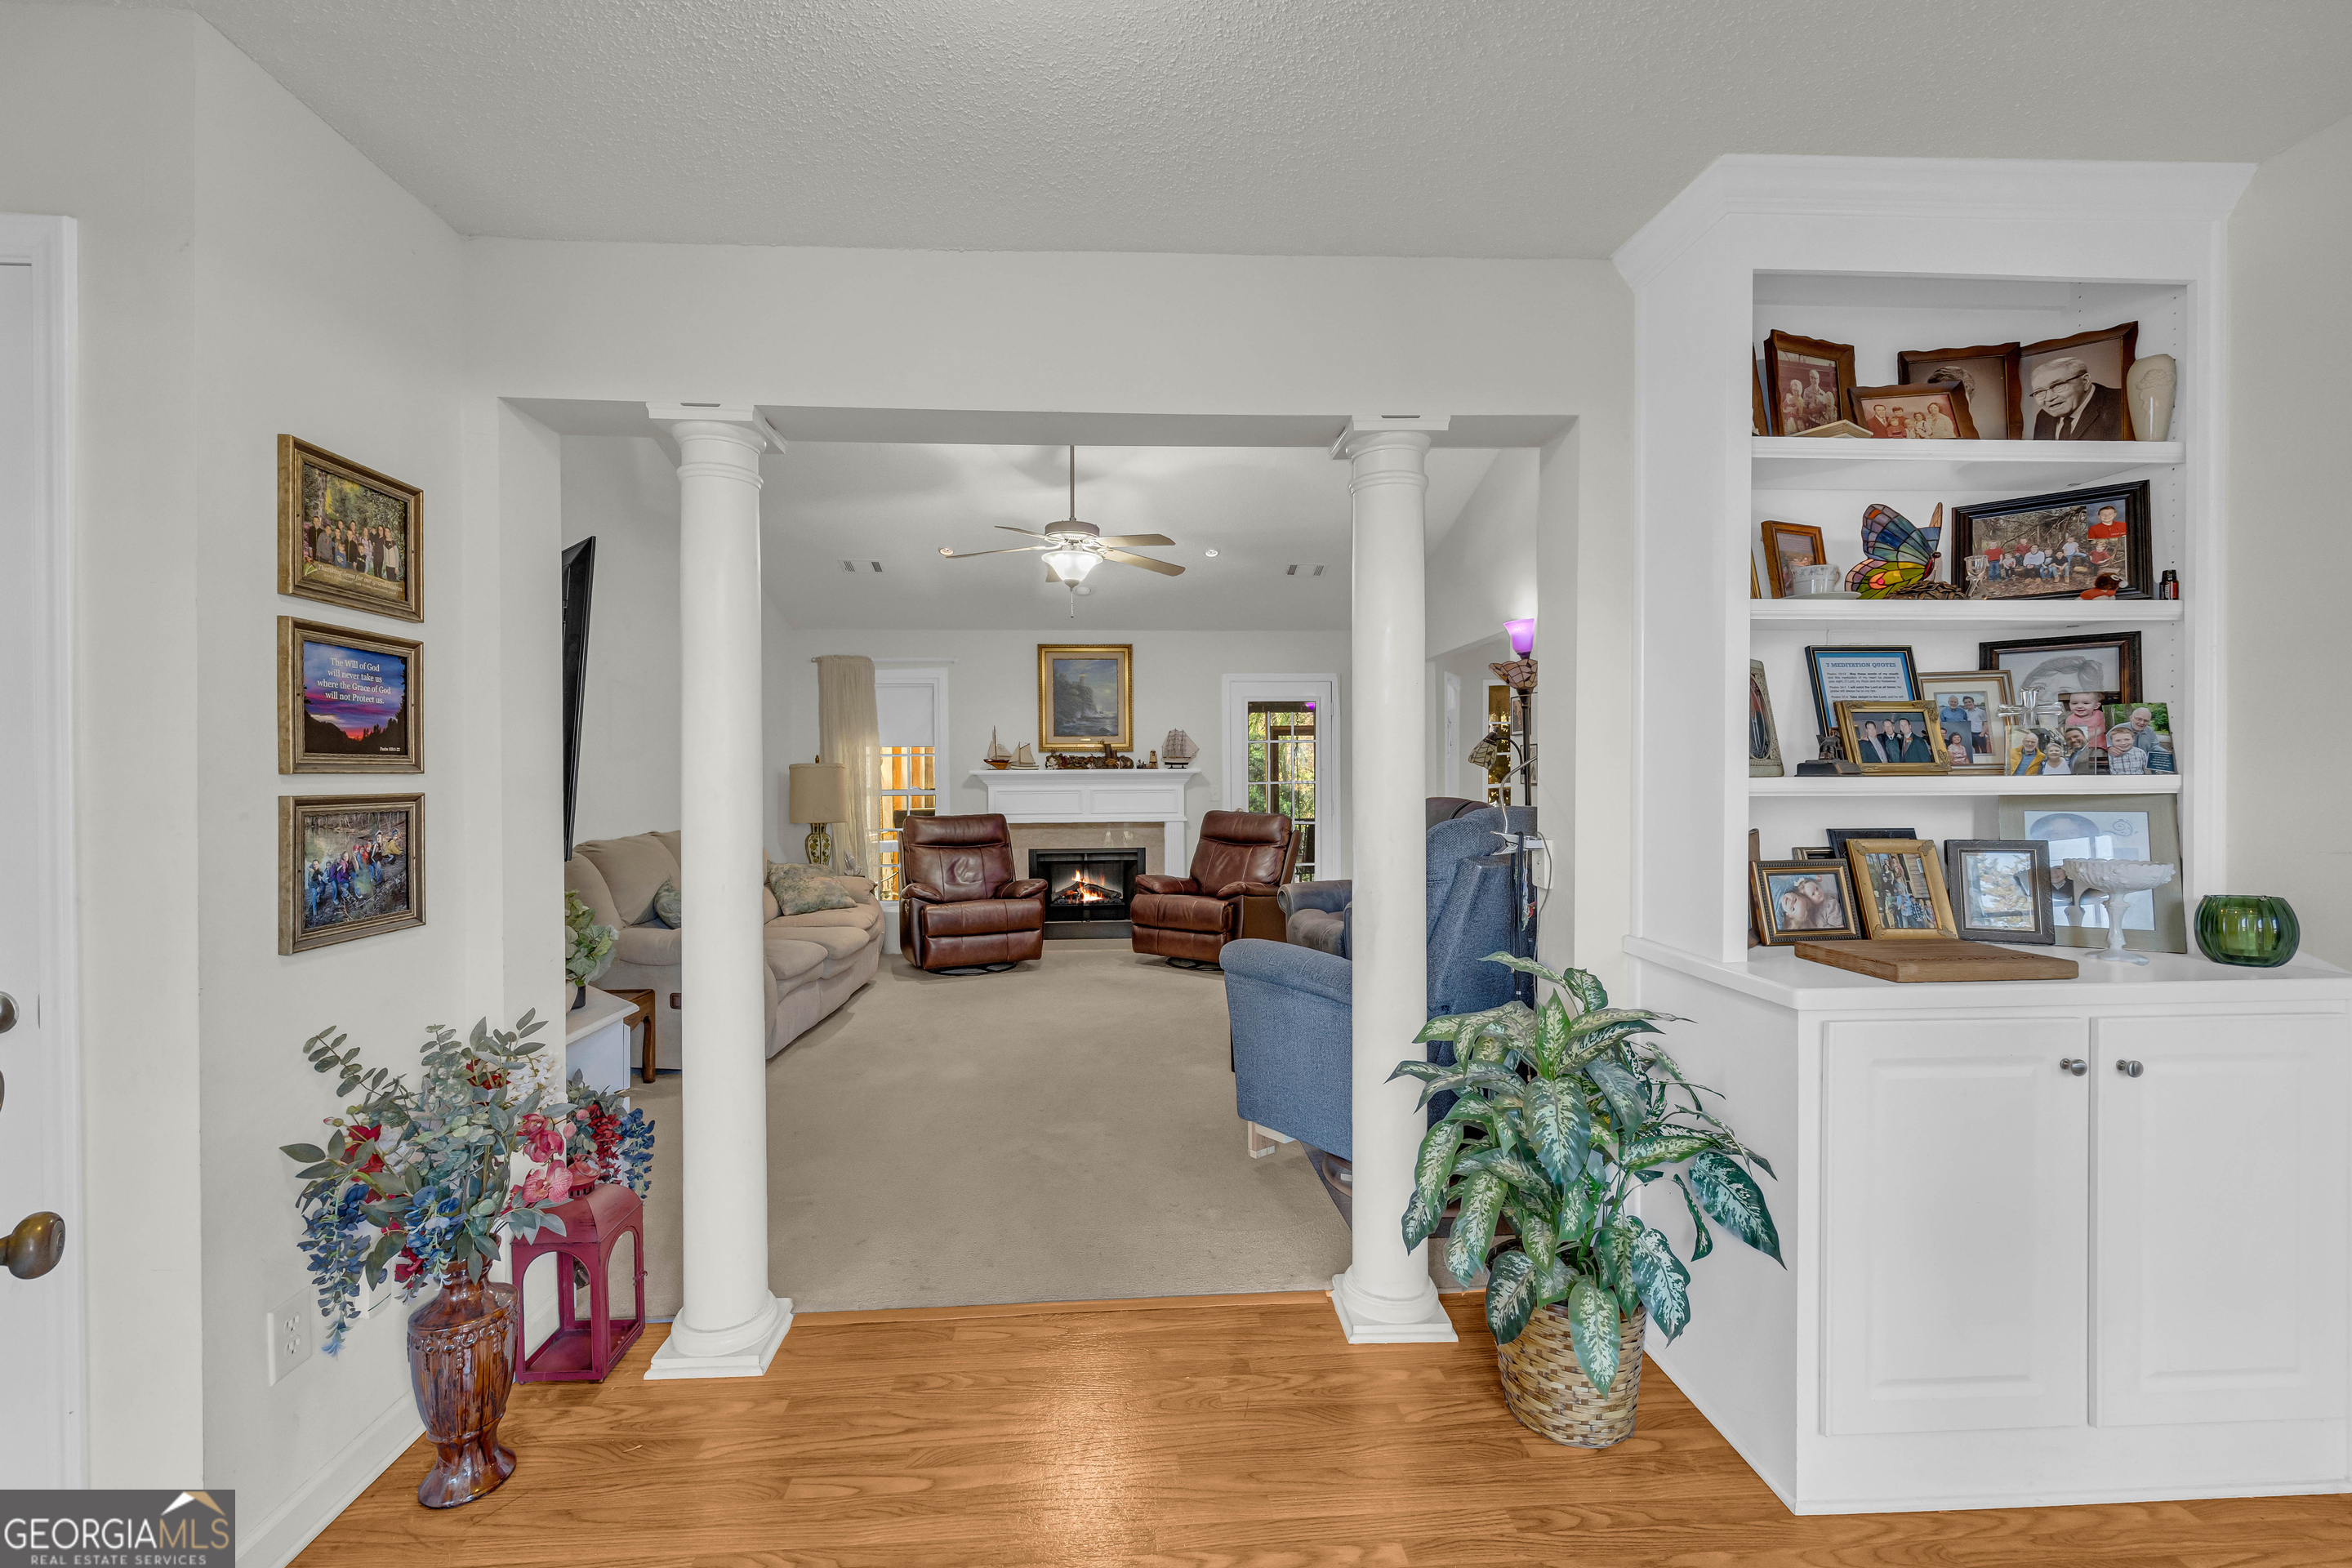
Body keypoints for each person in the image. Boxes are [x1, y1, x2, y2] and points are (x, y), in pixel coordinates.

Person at [2029, 354, 2124, 440]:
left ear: (2085, 382)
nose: (2049, 398)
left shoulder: (2122, 403)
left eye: (2058, 385)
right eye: (2040, 391)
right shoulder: (2043, 417)